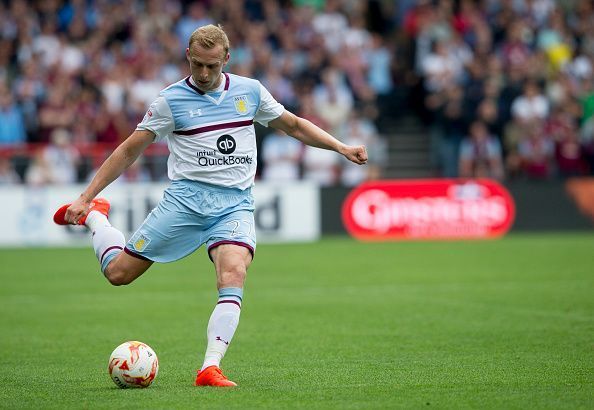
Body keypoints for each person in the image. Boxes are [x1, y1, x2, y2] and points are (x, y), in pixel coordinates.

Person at [53, 24, 367, 387]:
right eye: (197, 65)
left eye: (212, 66)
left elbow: (294, 125)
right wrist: (85, 198)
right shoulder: (169, 101)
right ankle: (96, 219)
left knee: (233, 273)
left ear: (226, 60)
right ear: (188, 57)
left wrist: (341, 147)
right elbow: (128, 151)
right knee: (118, 274)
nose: (203, 74)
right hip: (184, 204)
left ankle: (209, 368)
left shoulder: (249, 92)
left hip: (234, 206)